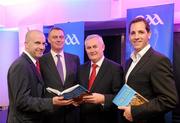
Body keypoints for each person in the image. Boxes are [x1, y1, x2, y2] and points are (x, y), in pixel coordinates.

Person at [118, 17, 178, 123]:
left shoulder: (158, 60)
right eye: (133, 33)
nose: (136, 37)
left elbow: (169, 100)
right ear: (129, 36)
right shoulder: (129, 61)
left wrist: (134, 112)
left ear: (149, 34)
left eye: (141, 32)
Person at [7, 30, 72, 123]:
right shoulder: (21, 65)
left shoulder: (32, 63)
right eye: (37, 43)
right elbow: (22, 101)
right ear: (26, 44)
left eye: (43, 44)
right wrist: (51, 102)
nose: (41, 47)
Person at [78, 34, 124, 123]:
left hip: (105, 118)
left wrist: (103, 99)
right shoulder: (81, 69)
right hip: (83, 119)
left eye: (95, 47)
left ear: (103, 47)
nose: (92, 50)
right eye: (89, 48)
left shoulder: (115, 68)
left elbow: (121, 97)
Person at [39, 27, 80, 123]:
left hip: (71, 112)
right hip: (51, 113)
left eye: (61, 37)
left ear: (64, 39)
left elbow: (78, 82)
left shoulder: (74, 58)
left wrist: (78, 98)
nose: (58, 39)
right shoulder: (41, 60)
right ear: (48, 40)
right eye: (55, 37)